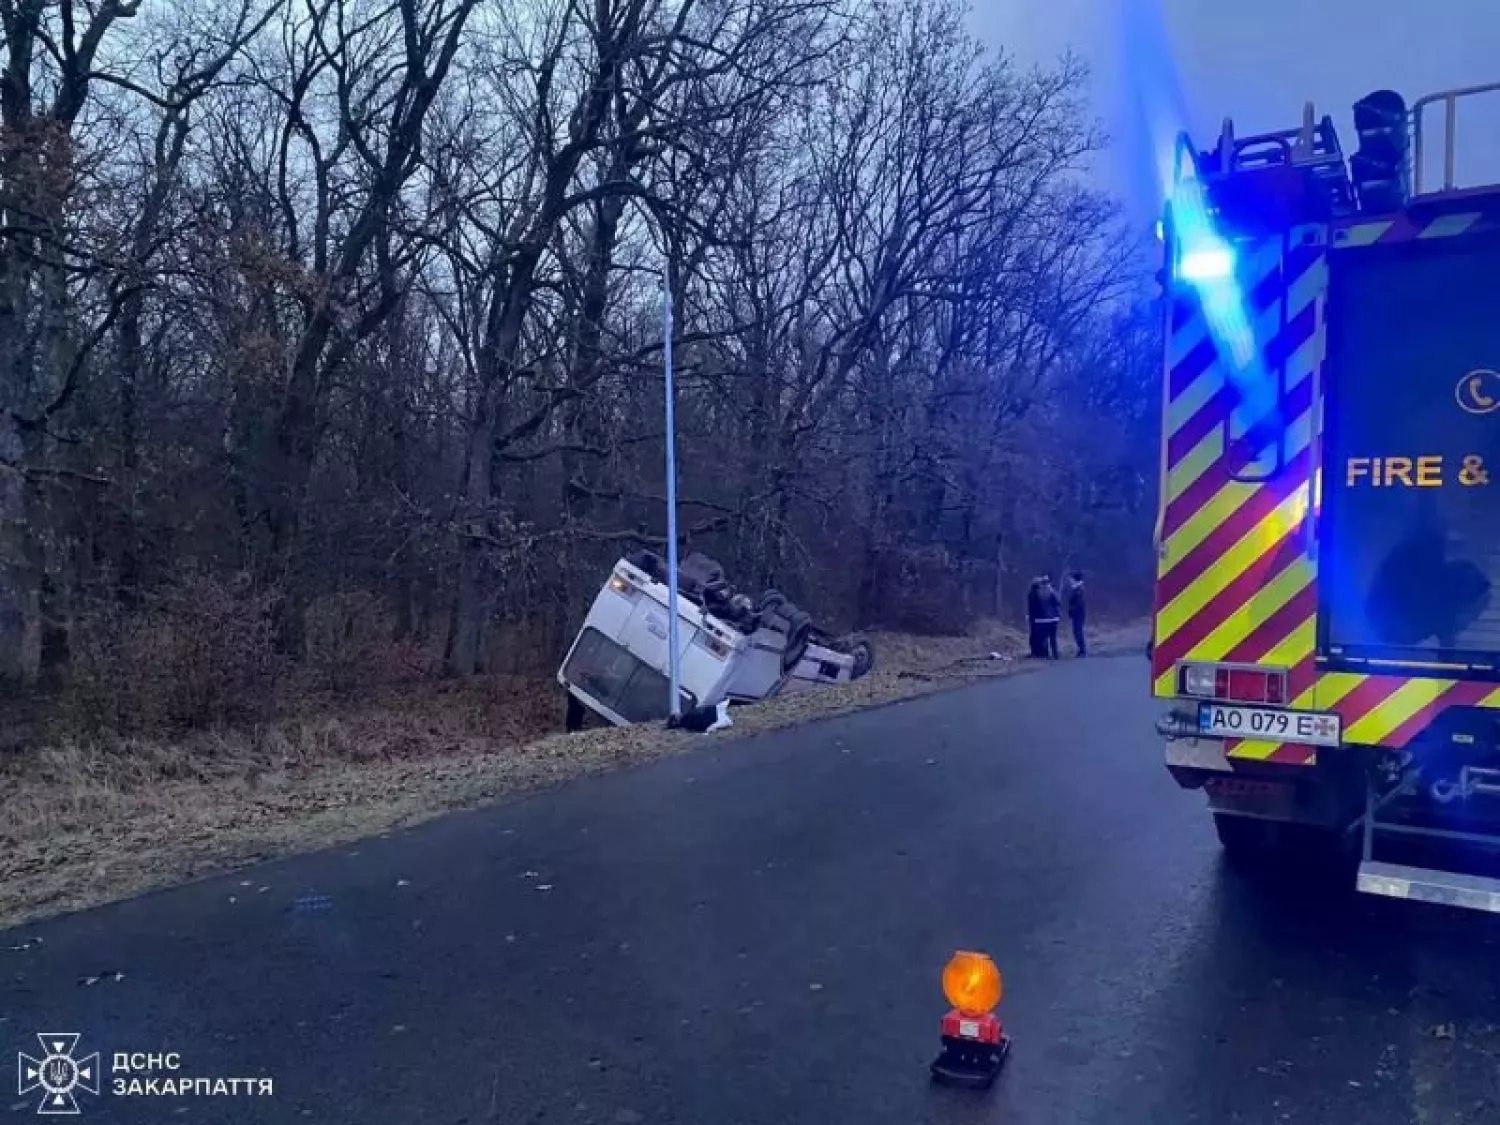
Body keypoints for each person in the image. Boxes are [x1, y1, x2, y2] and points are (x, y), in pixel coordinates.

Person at [1037, 577, 1061, 659]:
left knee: (1044, 637)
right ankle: (1055, 654)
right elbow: (1058, 602)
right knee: (1053, 637)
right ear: (1049, 583)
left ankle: (1046, 654)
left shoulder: (1038, 592)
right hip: (1052, 618)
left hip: (1041, 619)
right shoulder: (1052, 592)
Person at [1065, 570, 1087, 657]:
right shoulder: (1078, 588)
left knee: (1078, 632)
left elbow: (1078, 603)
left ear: (1075, 579)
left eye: (1071, 579)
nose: (1070, 581)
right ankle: (1081, 649)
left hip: (1078, 614)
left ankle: (1082, 650)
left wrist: (1071, 609)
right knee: (1077, 631)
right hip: (1078, 614)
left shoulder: (1079, 589)